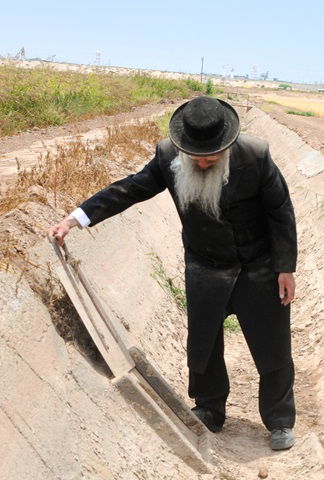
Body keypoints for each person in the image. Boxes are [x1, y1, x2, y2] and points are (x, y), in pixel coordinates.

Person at [48, 96, 298, 451]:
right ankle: (209, 410)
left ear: (227, 143)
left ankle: (279, 420)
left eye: (212, 154)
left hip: (258, 266)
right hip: (205, 265)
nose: (203, 161)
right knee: (203, 344)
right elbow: (130, 188)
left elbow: (281, 212)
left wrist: (285, 267)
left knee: (272, 345)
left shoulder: (255, 155)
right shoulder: (168, 156)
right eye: (196, 155)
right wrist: (77, 217)